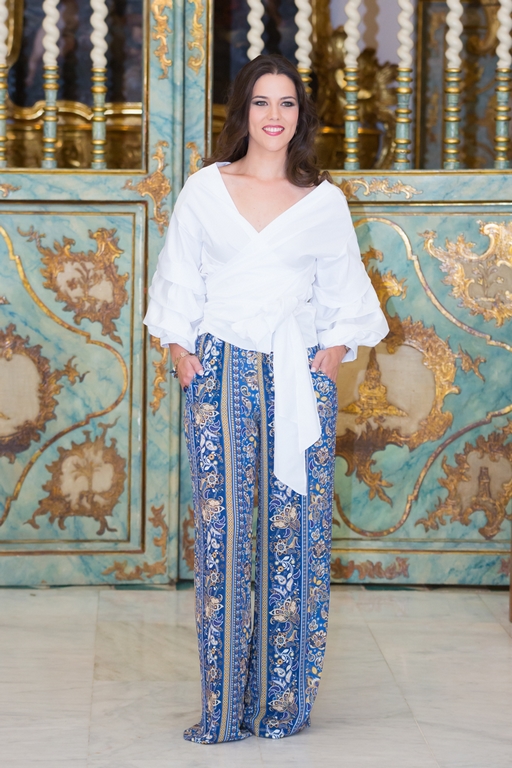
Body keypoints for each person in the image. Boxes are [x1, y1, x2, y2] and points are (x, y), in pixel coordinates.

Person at [144, 54, 388, 744]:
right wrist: (180, 352)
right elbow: (179, 274)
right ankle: (223, 709)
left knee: (297, 533)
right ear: (243, 112)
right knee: (224, 535)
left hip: (297, 374)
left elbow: (345, 287)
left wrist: (332, 353)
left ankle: (282, 706)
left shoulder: (323, 200)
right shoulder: (206, 189)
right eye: (261, 102)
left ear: (300, 115)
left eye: (286, 103)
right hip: (218, 368)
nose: (273, 116)